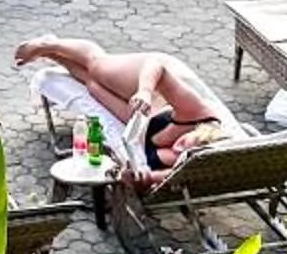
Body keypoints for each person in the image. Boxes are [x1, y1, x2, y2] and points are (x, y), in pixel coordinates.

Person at [13, 35, 239, 184]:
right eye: (193, 144)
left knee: (93, 87)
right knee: (98, 66)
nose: (182, 150)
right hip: (150, 91)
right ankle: (50, 44)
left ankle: (52, 57)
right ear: (203, 134)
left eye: (186, 156)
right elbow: (156, 66)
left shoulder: (187, 168)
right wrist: (145, 91)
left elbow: (146, 180)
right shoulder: (196, 114)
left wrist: (134, 177)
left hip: (140, 122)